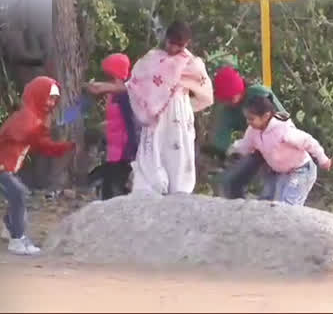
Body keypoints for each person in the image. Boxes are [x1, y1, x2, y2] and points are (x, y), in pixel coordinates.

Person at [0, 76, 75, 255]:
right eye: (48, 97)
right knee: (19, 194)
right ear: (37, 95)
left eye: (54, 98)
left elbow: (39, 143)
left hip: (6, 165)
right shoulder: (26, 117)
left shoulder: (36, 118)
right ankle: (17, 239)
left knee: (17, 195)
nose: (51, 102)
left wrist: (61, 146)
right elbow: (17, 134)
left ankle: (10, 229)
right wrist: (38, 133)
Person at [125, 21, 214, 195]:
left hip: (179, 111)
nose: (173, 48)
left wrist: (188, 103)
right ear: (166, 39)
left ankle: (180, 188)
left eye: (179, 46)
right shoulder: (152, 59)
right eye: (171, 43)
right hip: (156, 112)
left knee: (179, 147)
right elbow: (137, 82)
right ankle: (153, 185)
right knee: (155, 145)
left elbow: (204, 90)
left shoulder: (192, 64)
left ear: (186, 44)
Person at [227, 94, 332, 206]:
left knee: (288, 205)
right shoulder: (253, 131)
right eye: (247, 118)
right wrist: (231, 150)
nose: (248, 122)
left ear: (266, 116)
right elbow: (245, 145)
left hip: (301, 171)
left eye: (251, 119)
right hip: (280, 173)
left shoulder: (283, 130)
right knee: (269, 203)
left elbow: (308, 141)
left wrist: (323, 160)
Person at [208, 65, 291, 199]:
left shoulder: (258, 94)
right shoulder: (227, 111)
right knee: (229, 183)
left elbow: (283, 119)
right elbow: (221, 138)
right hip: (254, 147)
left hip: (278, 144)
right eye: (226, 99)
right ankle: (240, 211)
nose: (230, 101)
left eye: (232, 97)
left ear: (240, 90)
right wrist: (222, 156)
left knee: (273, 188)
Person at [86, 53, 139, 200]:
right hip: (113, 146)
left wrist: (132, 147)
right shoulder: (113, 93)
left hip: (123, 149)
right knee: (110, 185)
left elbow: (130, 121)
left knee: (114, 189)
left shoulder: (124, 95)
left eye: (109, 72)